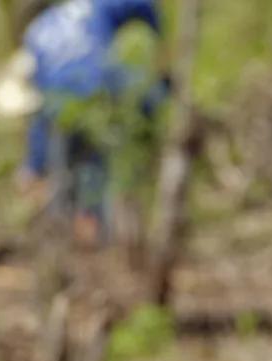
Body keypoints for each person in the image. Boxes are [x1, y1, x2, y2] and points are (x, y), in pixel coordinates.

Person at [21, 0, 163, 244]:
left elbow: (39, 108)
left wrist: (33, 164)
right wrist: (159, 37)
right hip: (102, 93)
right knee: (96, 171)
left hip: (60, 108)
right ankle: (96, 235)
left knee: (64, 176)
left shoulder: (33, 33)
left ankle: (70, 242)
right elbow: (142, 4)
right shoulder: (89, 6)